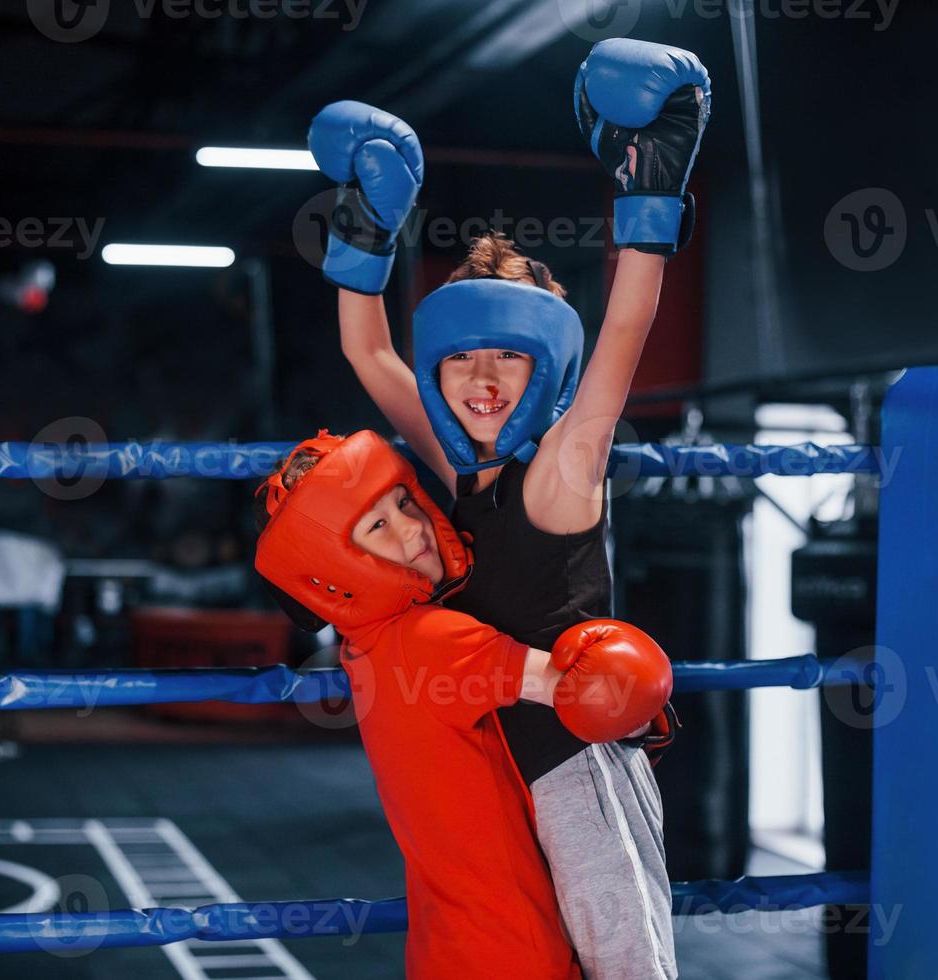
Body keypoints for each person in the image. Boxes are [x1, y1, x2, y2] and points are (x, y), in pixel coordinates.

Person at [308, 38, 710, 980]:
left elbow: (625, 328)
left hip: (576, 763)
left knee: (626, 967)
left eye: (510, 357)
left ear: (546, 368)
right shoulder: (453, 460)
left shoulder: (565, 462)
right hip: (485, 757)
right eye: (462, 357)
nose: (482, 379)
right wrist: (370, 224)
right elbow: (369, 356)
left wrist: (648, 188)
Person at [253, 430, 673, 979]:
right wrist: (640, 702)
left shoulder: (365, 650)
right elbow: (593, 684)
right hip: (516, 949)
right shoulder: (429, 638)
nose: (411, 527)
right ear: (335, 568)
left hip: (447, 948)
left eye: (404, 501)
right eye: (378, 525)